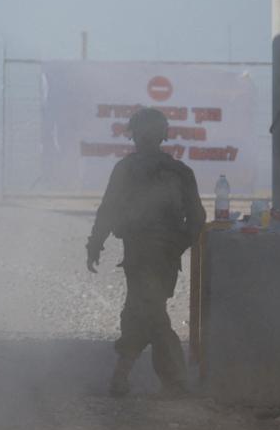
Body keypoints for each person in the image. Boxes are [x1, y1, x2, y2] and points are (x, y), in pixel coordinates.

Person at [86, 107, 205, 396]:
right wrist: (177, 244)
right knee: (148, 312)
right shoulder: (180, 171)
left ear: (134, 135)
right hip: (161, 258)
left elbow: (108, 210)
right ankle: (166, 381)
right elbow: (197, 219)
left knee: (145, 312)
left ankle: (142, 378)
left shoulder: (126, 169)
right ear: (163, 135)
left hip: (141, 256)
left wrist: (95, 243)